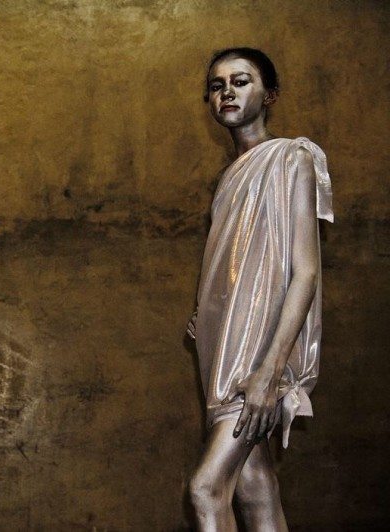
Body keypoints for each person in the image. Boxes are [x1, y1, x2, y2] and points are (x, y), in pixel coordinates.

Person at [186, 48, 333, 530]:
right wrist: (209, 310)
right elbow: (236, 268)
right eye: (217, 85)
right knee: (254, 486)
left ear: (269, 95)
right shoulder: (227, 178)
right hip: (223, 348)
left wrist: (270, 372)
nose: (226, 91)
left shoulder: (292, 157)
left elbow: (305, 272)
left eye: (241, 81)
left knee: (206, 488)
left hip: (261, 357)